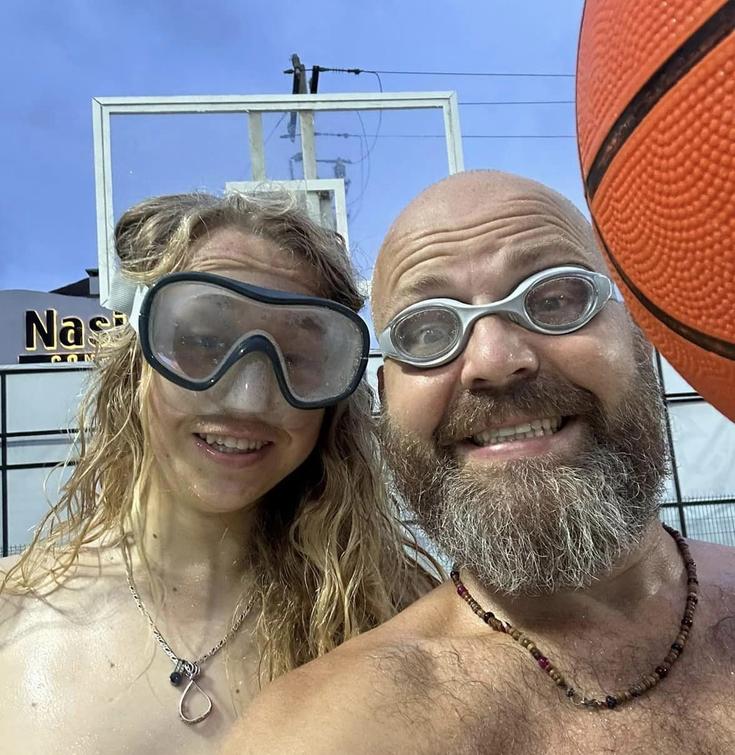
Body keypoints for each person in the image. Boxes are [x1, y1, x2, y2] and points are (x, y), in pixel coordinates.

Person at [223, 171, 735, 754]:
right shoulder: (321, 735)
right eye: (426, 331)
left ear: (640, 345)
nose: (493, 360)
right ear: (386, 397)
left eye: (555, 299)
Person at [0, 192, 437, 754]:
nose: (250, 399)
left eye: (297, 359)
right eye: (204, 342)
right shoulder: (11, 612)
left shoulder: (401, 621)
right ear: (135, 363)